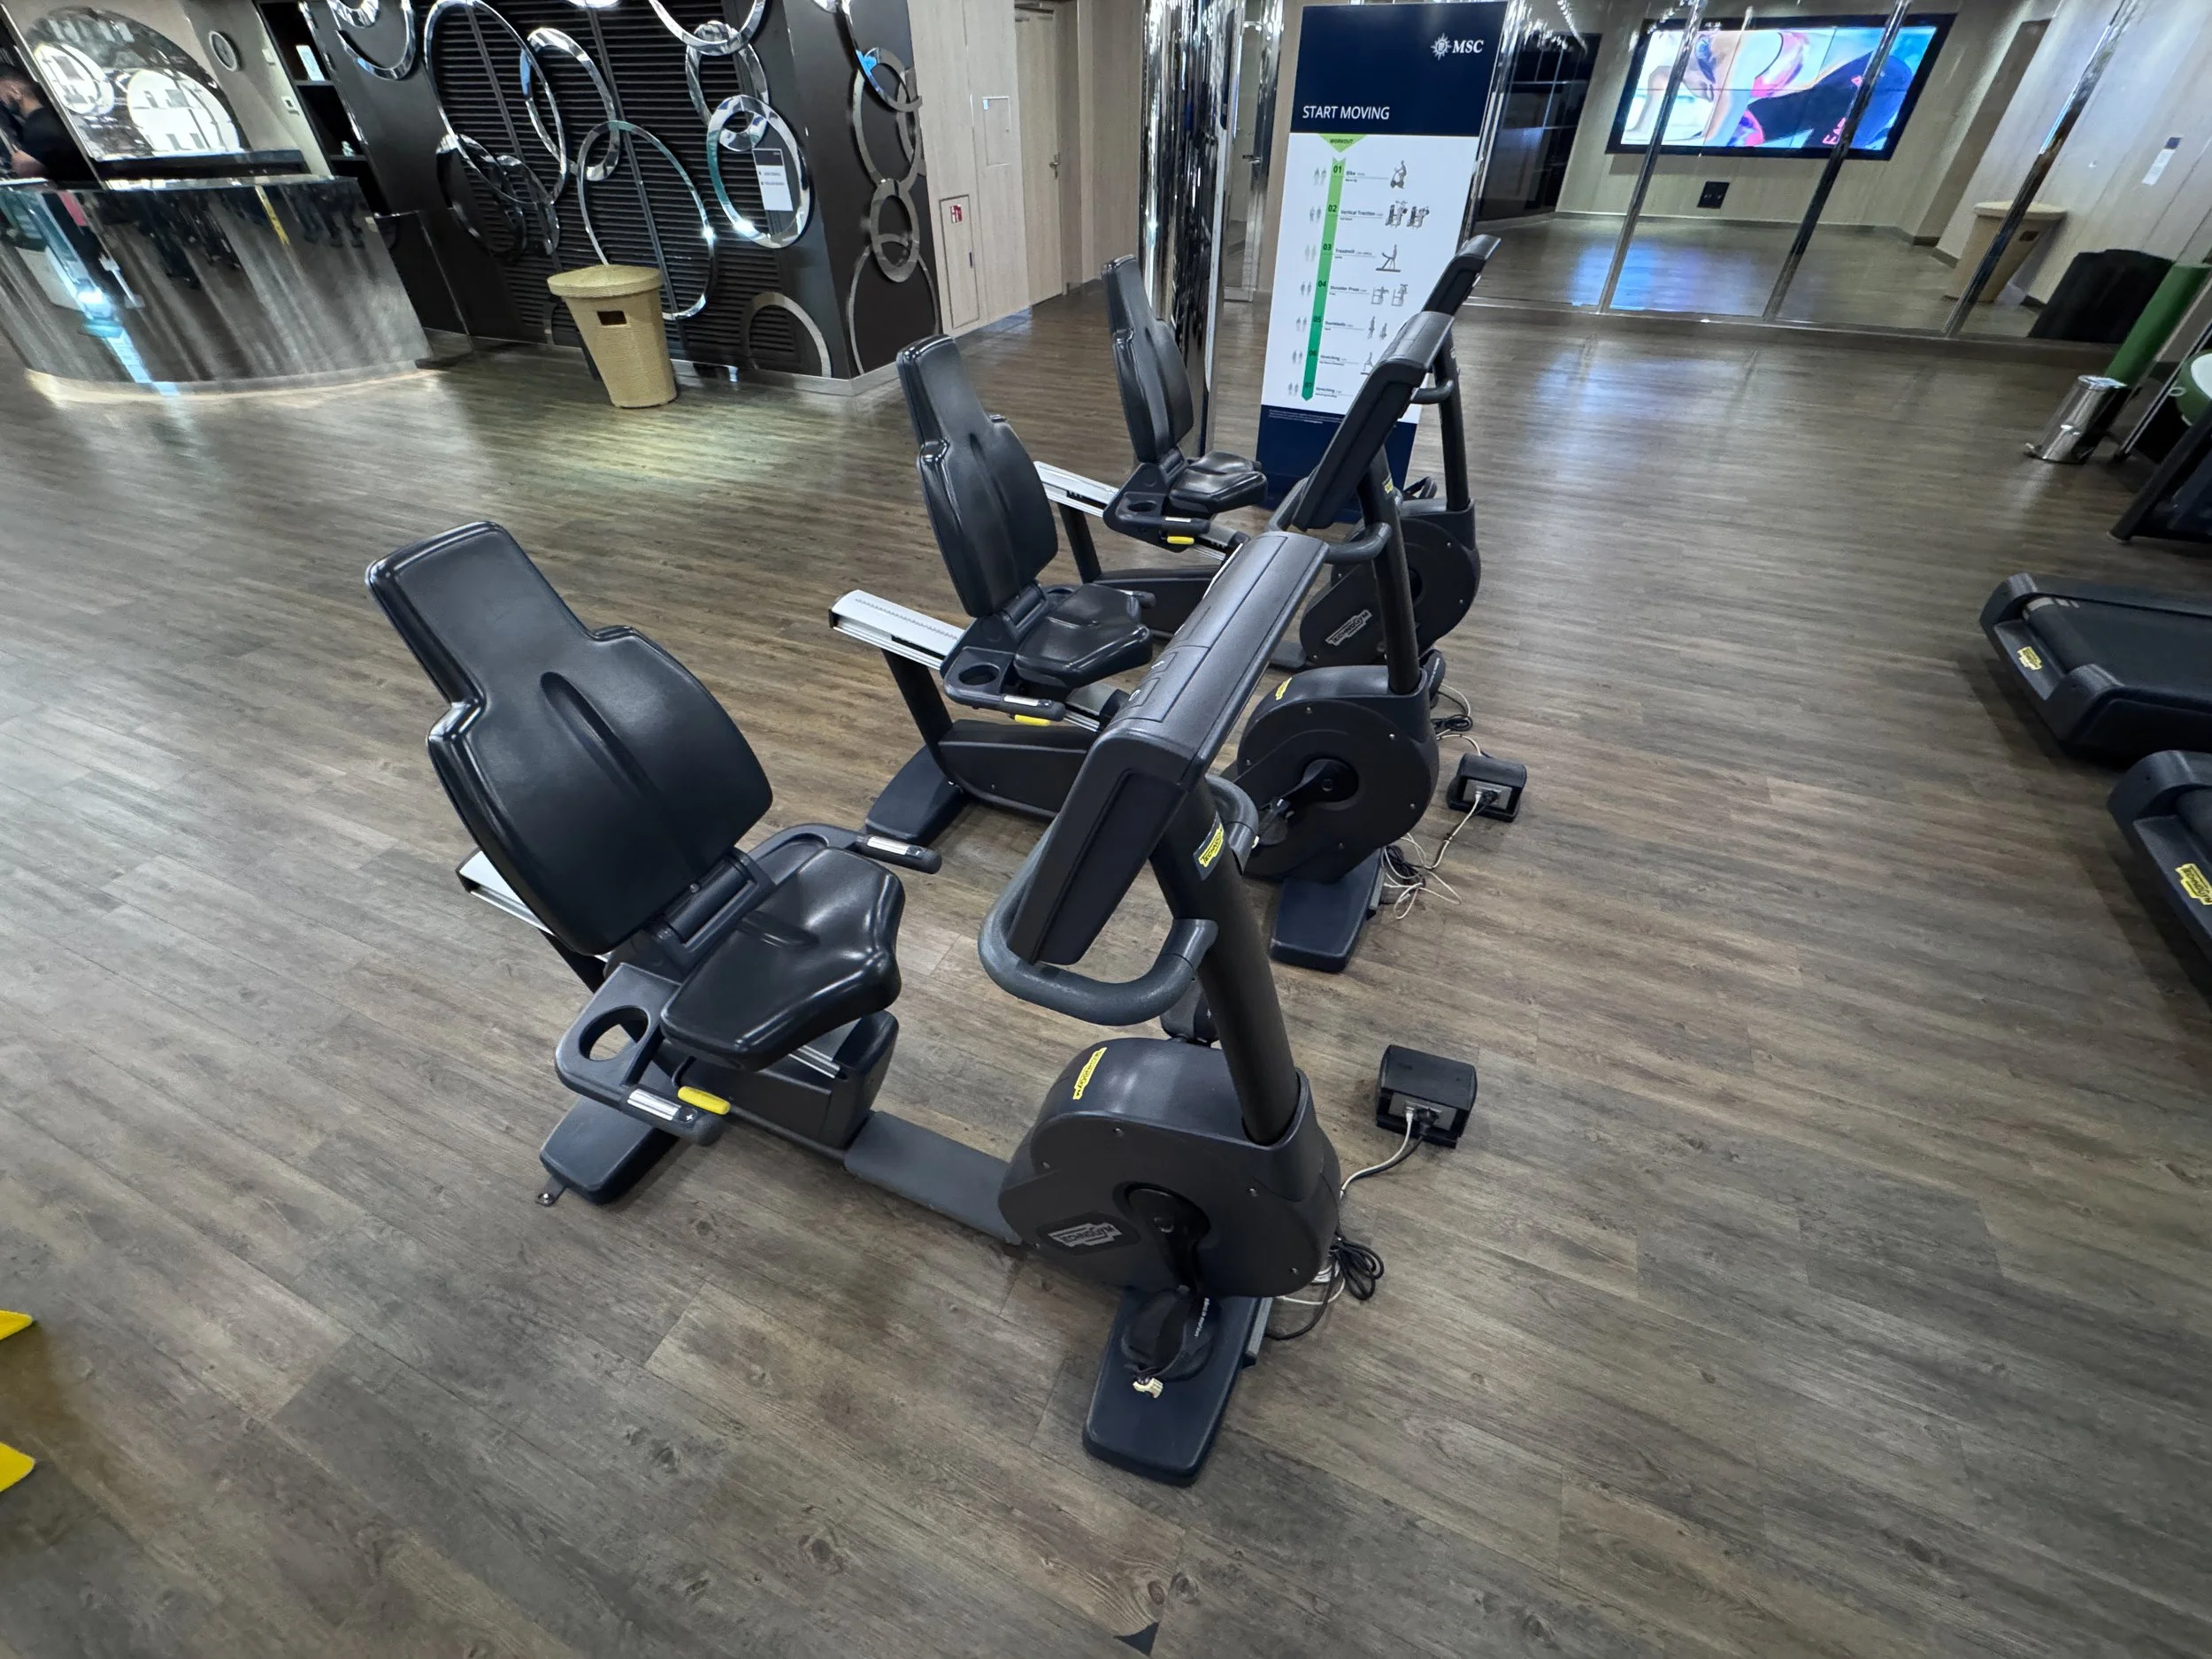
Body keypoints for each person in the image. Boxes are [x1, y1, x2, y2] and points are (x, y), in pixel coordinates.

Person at [0, 65, 93, 183]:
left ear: (15, 91)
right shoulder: (56, 117)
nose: (1, 100)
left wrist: (22, 164)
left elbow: (29, 175)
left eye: (1, 94)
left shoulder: (38, 131)